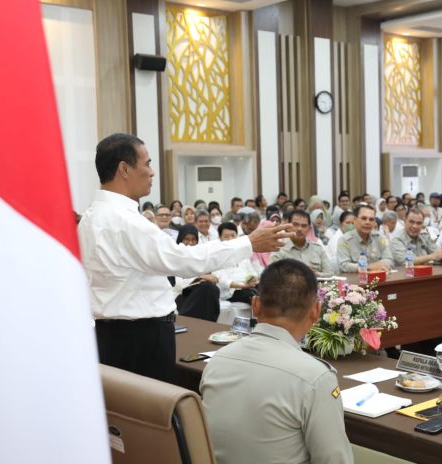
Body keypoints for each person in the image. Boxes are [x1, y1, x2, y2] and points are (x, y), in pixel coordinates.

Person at [79, 133, 289, 382]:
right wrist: (249, 242)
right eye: (147, 163)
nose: (152, 172)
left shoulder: (91, 216)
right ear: (124, 169)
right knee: (150, 415)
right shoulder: (125, 221)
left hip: (111, 335)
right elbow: (183, 260)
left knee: (125, 415)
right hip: (140, 338)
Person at [200, 259, 353, 464]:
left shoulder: (218, 360)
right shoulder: (315, 377)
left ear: (255, 305)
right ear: (316, 310)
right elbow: (334, 460)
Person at [170, 224, 222, 322]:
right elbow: (177, 284)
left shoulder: (201, 258)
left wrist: (205, 278)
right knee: (206, 287)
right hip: (181, 295)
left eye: (193, 240)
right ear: (180, 240)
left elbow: (214, 278)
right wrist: (200, 277)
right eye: (187, 239)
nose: (190, 243)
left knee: (211, 288)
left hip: (200, 292)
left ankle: (209, 325)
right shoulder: (174, 257)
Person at [270, 210, 332, 276]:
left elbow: (330, 274)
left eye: (304, 226)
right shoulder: (279, 250)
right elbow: (271, 275)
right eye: (295, 224)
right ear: (288, 227)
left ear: (309, 229)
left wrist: (316, 274)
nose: (299, 229)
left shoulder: (318, 249)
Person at [338, 204, 393, 272]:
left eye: (371, 219)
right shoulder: (344, 240)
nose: (368, 222)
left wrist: (378, 265)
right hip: (356, 280)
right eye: (364, 218)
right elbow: (344, 265)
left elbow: (389, 259)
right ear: (355, 220)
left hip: (378, 279)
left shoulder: (378, 237)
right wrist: (368, 267)